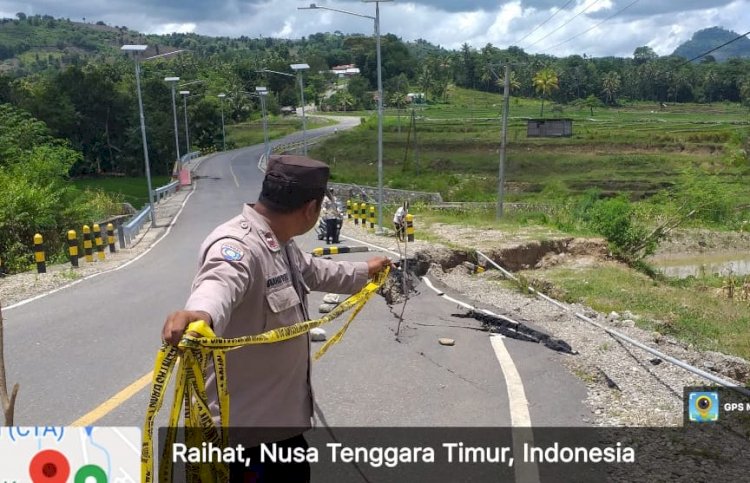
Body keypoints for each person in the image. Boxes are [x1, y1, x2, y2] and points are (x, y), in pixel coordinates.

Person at [161, 154, 391, 482]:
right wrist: (200, 315)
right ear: (311, 209)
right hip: (244, 444)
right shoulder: (238, 246)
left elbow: (312, 270)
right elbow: (218, 283)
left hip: (277, 433)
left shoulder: (278, 242)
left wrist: (364, 270)